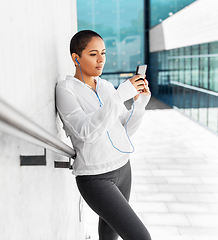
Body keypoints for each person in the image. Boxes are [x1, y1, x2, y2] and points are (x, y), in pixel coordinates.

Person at [55, 30, 151, 240]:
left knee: (109, 233)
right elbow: (85, 132)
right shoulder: (66, 90)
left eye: (103, 53)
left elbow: (125, 130)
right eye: (93, 54)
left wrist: (140, 104)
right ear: (76, 58)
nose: (101, 60)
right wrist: (120, 95)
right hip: (96, 177)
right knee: (141, 237)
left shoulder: (106, 86)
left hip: (124, 167)